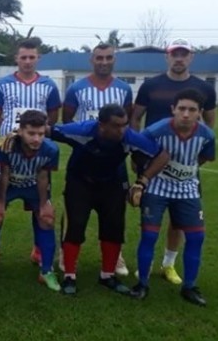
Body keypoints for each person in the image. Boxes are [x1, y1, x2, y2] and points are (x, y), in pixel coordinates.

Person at [45, 104, 169, 296]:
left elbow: (163, 155)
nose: (122, 130)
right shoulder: (82, 130)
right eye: (117, 126)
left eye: (125, 125)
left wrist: (142, 181)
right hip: (80, 181)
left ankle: (107, 275)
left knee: (114, 228)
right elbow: (45, 131)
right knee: (74, 226)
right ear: (102, 125)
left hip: (112, 183)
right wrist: (16, 137)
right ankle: (70, 276)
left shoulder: (129, 137)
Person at [131, 38, 217, 285]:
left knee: (180, 219)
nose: (179, 58)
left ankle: (168, 264)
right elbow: (136, 118)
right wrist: (139, 157)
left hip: (186, 164)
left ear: (191, 58)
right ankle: (144, 273)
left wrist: (191, 156)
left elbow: (210, 123)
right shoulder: (151, 85)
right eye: (174, 54)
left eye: (184, 54)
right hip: (154, 162)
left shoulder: (204, 88)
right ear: (167, 57)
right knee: (150, 224)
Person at [62, 43, 134, 275]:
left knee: (114, 213)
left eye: (109, 58)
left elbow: (128, 120)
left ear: (115, 60)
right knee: (76, 213)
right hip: (84, 159)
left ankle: (116, 257)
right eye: (99, 58)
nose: (104, 62)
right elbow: (67, 120)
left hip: (114, 162)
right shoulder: (77, 88)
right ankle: (66, 256)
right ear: (91, 60)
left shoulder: (124, 89)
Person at [0, 38, 62, 264]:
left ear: (38, 58)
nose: (28, 61)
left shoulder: (48, 85)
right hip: (9, 151)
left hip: (36, 153)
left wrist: (35, 135)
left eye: (32, 57)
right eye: (24, 57)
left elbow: (53, 116)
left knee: (39, 201)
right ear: (16, 59)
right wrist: (12, 135)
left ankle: (39, 250)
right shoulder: (3, 84)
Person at [0, 110, 60, 291]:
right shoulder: (6, 146)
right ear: (20, 131)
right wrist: (0, 202)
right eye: (31, 133)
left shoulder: (51, 149)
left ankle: (47, 271)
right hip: (9, 184)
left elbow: (43, 177)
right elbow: (4, 174)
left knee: (46, 219)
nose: (36, 139)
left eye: (41, 134)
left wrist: (43, 205)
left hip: (32, 185)